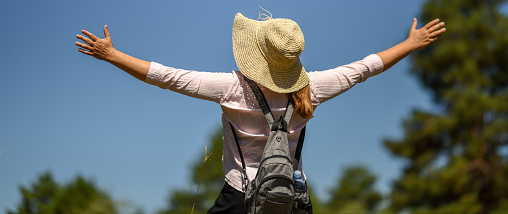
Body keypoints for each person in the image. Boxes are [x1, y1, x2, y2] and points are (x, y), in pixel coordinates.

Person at [75, 12, 446, 213]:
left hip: (240, 196)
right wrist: (411, 44)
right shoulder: (312, 89)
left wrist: (111, 55)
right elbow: (366, 67)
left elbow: (167, 78)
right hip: (292, 198)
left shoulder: (232, 88)